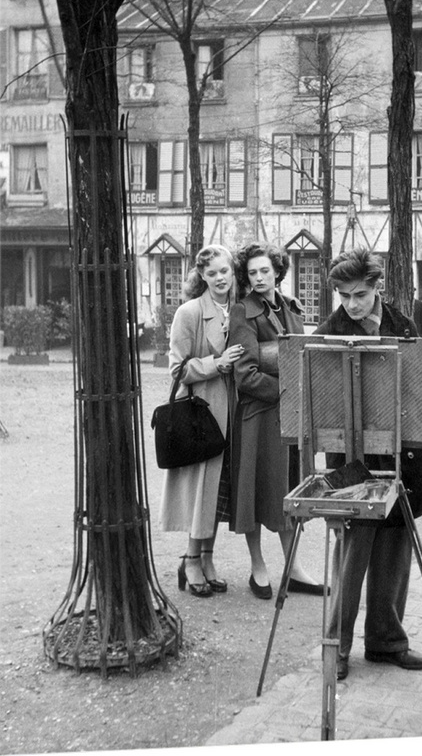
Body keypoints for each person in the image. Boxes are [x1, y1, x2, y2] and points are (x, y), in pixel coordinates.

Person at [314, 246, 422, 680]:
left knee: (393, 555)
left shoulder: (404, 326)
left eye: (360, 295)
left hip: (404, 458)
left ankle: (386, 642)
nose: (351, 304)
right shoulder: (328, 332)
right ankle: (338, 648)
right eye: (344, 295)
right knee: (351, 558)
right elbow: (316, 400)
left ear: (376, 288)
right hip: (354, 464)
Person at [228, 242, 323, 599]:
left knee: (287, 490)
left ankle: (294, 567)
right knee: (254, 491)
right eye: (252, 273)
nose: (259, 278)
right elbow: (246, 374)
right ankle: (258, 567)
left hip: (290, 415)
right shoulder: (243, 312)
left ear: (277, 271)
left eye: (264, 271)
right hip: (258, 415)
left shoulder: (291, 307)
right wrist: (288, 390)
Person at [159, 245, 244, 598]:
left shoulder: (239, 310)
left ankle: (208, 559)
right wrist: (216, 363)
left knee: (219, 490)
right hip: (201, 413)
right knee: (202, 490)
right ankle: (191, 560)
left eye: (224, 271)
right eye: (212, 274)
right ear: (202, 277)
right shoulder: (190, 312)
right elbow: (177, 368)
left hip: (232, 411)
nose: (220, 278)